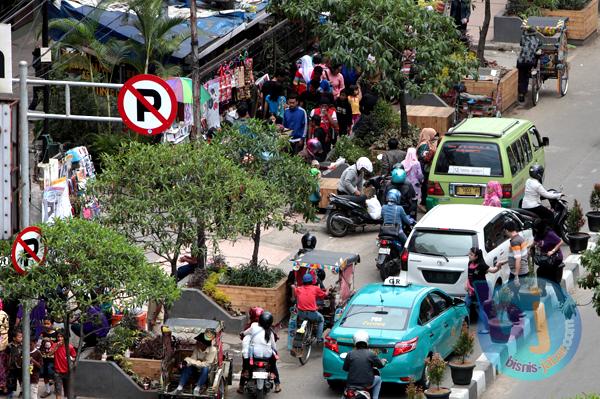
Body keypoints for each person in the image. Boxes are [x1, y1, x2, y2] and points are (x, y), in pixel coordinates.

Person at [465, 248, 500, 334]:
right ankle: (465, 324)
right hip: (471, 290)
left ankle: (488, 328)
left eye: (471, 254)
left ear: (476, 256)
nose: (469, 255)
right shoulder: (470, 263)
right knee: (466, 304)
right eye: (469, 254)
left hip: (481, 289)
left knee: (481, 308)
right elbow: (469, 277)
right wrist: (467, 286)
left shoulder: (481, 265)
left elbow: (493, 270)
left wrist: (498, 266)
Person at [342, 330, 386, 399]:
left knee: (345, 394)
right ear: (367, 341)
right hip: (367, 385)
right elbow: (380, 365)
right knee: (379, 379)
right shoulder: (371, 354)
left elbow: (345, 368)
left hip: (350, 386)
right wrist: (383, 361)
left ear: (355, 342)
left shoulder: (350, 354)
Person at [246, 312, 281, 393]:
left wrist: (242, 334)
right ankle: (277, 384)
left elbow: (245, 333)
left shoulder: (254, 327)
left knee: (247, 363)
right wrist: (275, 352)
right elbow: (273, 346)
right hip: (267, 356)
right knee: (273, 365)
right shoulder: (270, 332)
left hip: (255, 356)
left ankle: (244, 378)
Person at [495, 220, 529, 301]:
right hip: (522, 271)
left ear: (506, 230)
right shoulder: (519, 238)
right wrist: (503, 262)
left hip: (518, 272)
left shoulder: (515, 242)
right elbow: (516, 256)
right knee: (515, 293)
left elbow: (518, 258)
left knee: (512, 294)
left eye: (504, 231)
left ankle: (518, 311)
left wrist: (516, 276)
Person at [533, 220, 565, 303]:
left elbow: (560, 241)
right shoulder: (538, 234)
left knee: (552, 277)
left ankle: (561, 300)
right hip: (546, 258)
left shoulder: (550, 234)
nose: (535, 230)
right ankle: (542, 292)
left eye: (536, 229)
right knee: (539, 272)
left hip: (555, 258)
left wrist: (553, 251)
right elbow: (534, 243)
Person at [294, 273, 328, 342]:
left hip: (301, 314)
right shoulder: (315, 288)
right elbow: (325, 295)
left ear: (303, 281)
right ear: (312, 281)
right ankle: (319, 338)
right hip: (312, 314)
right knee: (321, 319)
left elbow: (296, 294)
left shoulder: (298, 289)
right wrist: (328, 290)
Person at [517, 26, 542, 103]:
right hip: (530, 62)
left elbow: (521, 43)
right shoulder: (537, 40)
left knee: (521, 77)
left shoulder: (523, 38)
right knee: (527, 75)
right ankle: (524, 91)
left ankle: (521, 94)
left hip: (520, 62)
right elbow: (540, 46)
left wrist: (524, 32)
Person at [417, 128, 439, 212]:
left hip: (425, 168)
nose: (434, 136)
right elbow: (423, 158)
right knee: (425, 185)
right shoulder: (424, 145)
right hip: (425, 169)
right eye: (433, 134)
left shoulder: (429, 143)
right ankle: (423, 203)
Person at [51, 330, 76, 399]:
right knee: (58, 391)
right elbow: (49, 354)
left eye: (61, 337)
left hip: (68, 372)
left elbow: (74, 358)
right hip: (57, 372)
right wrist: (56, 347)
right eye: (58, 337)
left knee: (69, 392)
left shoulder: (70, 347)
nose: (60, 338)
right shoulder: (55, 345)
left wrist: (70, 358)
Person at [40, 318, 58, 398]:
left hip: (54, 358)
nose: (46, 325)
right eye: (45, 323)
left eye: (48, 323)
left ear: (52, 324)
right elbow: (41, 345)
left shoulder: (57, 334)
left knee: (55, 374)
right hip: (45, 358)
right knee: (45, 374)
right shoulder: (43, 333)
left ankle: (58, 389)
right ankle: (47, 390)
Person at [6, 330, 23, 399]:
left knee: (22, 381)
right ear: (14, 338)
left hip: (21, 367)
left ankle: (22, 393)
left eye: (22, 337)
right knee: (11, 382)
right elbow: (6, 356)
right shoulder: (9, 346)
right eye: (19, 337)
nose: (21, 338)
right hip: (12, 367)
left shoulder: (23, 346)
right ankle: (10, 395)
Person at [0, 299, 8, 394]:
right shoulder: (4, 313)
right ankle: (3, 384)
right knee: (3, 364)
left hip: (1, 340)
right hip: (4, 340)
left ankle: (2, 384)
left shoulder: (1, 314)